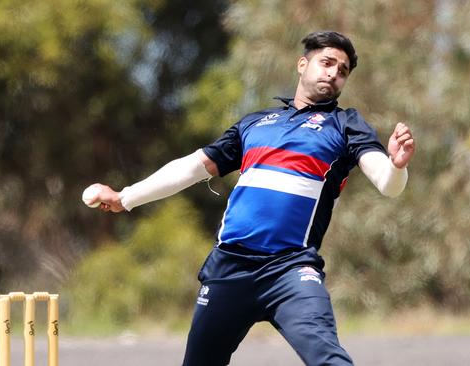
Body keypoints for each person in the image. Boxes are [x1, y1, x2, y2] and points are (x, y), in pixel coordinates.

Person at [85, 30, 415, 366]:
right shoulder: (254, 124)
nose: (333, 73)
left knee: (329, 360)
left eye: (342, 70)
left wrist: (397, 166)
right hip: (229, 268)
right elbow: (192, 168)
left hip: (291, 269)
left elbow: (387, 182)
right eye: (326, 62)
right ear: (302, 65)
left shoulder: (345, 124)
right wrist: (125, 197)